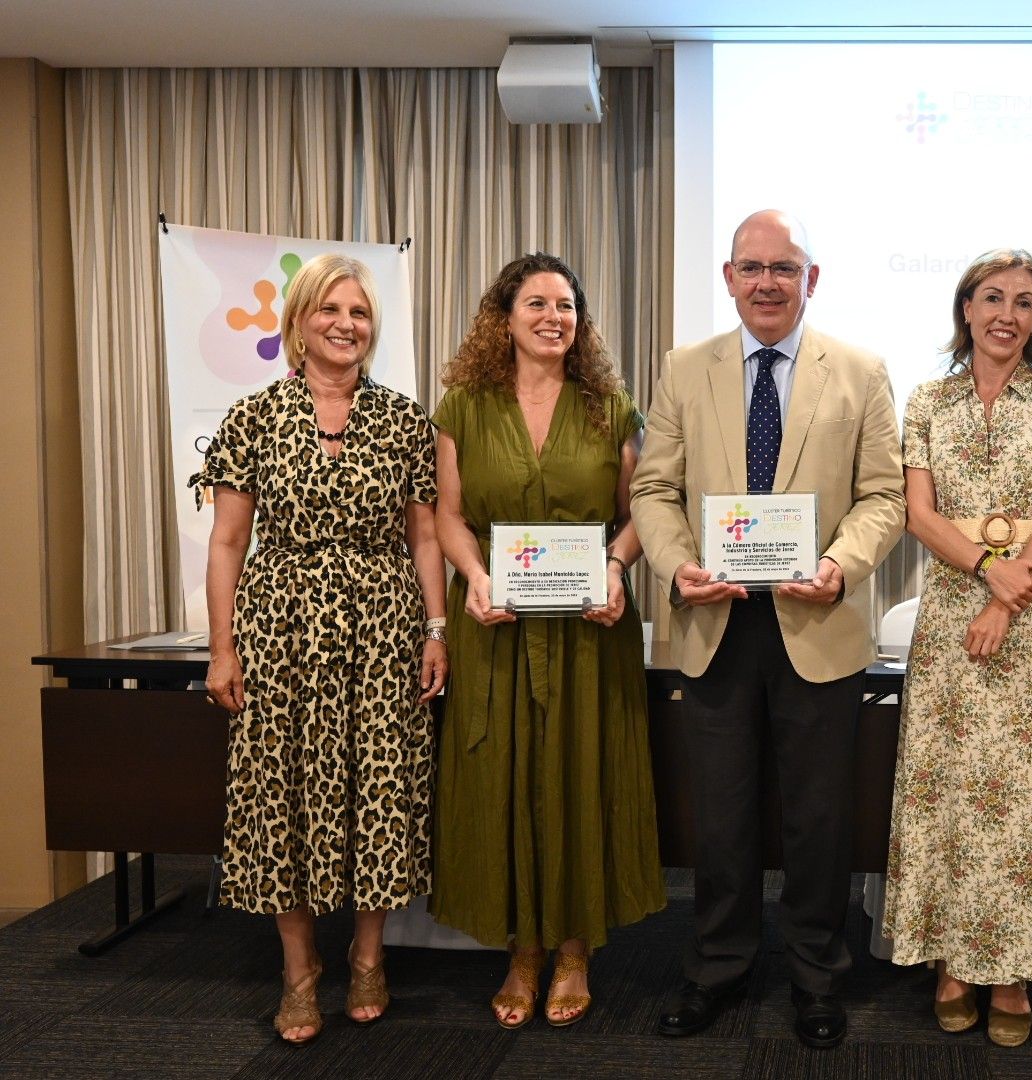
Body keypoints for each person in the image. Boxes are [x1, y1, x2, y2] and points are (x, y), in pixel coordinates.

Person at [631, 209, 905, 1049]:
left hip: (815, 622)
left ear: (811, 280)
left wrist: (840, 567)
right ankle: (718, 966)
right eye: (751, 268)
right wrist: (677, 564)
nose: (767, 283)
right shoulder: (685, 370)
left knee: (819, 818)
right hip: (713, 622)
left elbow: (884, 496)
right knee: (722, 816)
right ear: (728, 278)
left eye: (784, 269)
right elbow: (653, 490)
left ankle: (818, 974)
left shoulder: (859, 371)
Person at [192, 253, 447, 1045]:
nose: (346, 325)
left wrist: (437, 630)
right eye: (330, 310)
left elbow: (426, 537)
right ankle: (299, 970)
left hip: (382, 626)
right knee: (279, 796)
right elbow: (228, 543)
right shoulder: (252, 417)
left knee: (379, 786)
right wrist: (222, 648)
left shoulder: (406, 420)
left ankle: (368, 956)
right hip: (281, 628)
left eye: (360, 314)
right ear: (298, 322)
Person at [429, 252, 664, 1029]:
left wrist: (616, 567)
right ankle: (518, 951)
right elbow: (450, 516)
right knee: (500, 777)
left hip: (588, 629)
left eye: (565, 306)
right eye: (536, 304)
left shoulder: (610, 407)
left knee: (581, 775)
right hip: (495, 623)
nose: (552, 318)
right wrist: (476, 578)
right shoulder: (464, 403)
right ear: (505, 317)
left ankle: (572, 950)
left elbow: (641, 514)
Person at [882, 249, 1032, 1048]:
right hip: (950, 616)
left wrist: (1008, 599)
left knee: (1021, 803)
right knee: (953, 797)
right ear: (965, 307)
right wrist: (985, 572)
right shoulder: (928, 398)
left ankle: (1013, 969)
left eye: (1027, 302)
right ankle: (954, 963)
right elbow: (918, 513)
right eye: (994, 298)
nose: (1009, 314)